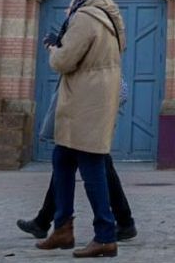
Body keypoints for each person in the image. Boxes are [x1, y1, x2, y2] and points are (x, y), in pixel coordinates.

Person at [34, 0, 126, 259]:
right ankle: (62, 227)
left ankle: (105, 234)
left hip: (86, 98)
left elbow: (64, 61)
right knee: (63, 159)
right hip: (95, 93)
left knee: (91, 166)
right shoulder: (109, 13)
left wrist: (52, 48)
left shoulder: (87, 16)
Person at [18, 77, 137, 241]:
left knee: (77, 167)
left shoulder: (93, 55)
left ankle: (113, 227)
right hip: (86, 114)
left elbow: (63, 62)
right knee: (71, 165)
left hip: (86, 116)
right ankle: (44, 221)